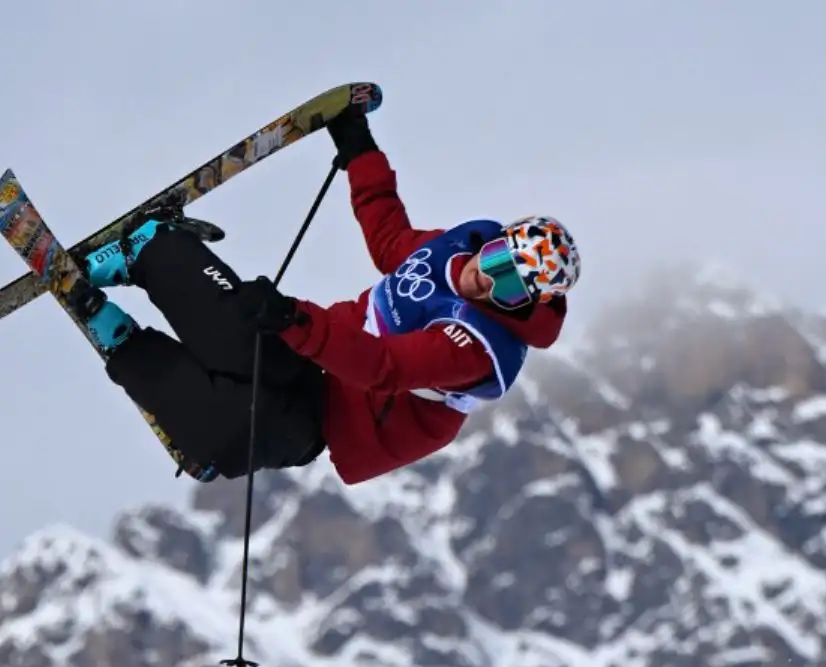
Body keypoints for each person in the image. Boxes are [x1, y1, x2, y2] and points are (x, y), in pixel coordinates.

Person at [61, 108, 582, 485]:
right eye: (497, 262)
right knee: (246, 336)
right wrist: (360, 150)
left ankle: (125, 343)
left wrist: (293, 318)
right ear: (493, 243)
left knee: (244, 430)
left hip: (338, 421)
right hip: (318, 355)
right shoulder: (452, 252)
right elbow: (389, 238)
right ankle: (153, 250)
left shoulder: (476, 349)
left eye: (512, 289)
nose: (489, 281)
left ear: (525, 308)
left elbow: (385, 367)